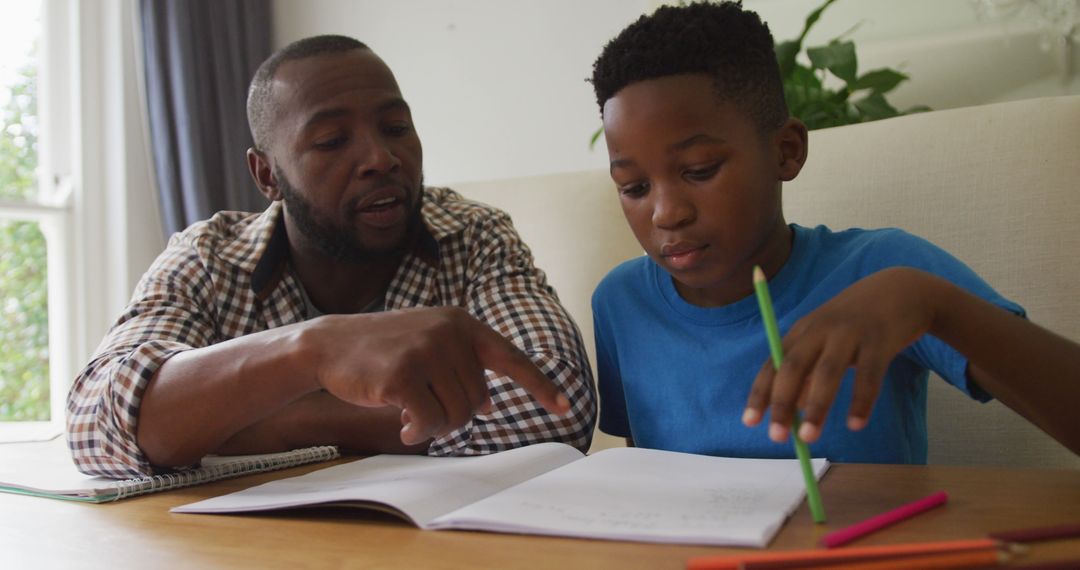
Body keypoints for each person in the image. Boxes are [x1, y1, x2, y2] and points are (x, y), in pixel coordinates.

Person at [67, 35, 596, 478]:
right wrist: (311, 351)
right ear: (267, 175)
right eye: (331, 140)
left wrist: (259, 423)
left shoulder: (473, 235)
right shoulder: (208, 257)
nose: (381, 159)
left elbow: (554, 404)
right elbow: (96, 423)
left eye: (395, 128)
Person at [588, 1, 1080, 463]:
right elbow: (646, 475)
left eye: (699, 169)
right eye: (633, 186)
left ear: (786, 151)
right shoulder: (621, 302)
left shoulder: (884, 271)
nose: (666, 214)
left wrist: (936, 307)